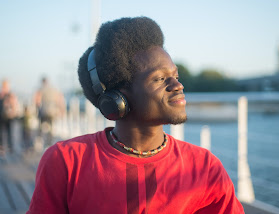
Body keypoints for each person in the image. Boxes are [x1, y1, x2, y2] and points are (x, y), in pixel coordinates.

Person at [27, 17, 244, 213]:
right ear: (116, 99)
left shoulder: (205, 167)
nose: (177, 85)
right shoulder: (66, 162)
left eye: (175, 75)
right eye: (160, 78)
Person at [33, 77, 65, 146]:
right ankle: (50, 143)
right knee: (51, 127)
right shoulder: (53, 89)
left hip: (43, 111)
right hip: (52, 111)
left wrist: (37, 109)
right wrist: (61, 110)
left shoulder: (41, 89)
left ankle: (40, 141)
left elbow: (37, 100)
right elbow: (59, 99)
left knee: (40, 127)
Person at [0, 79, 19, 154]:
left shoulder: (10, 94)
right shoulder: (2, 94)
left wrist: (14, 112)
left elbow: (14, 103)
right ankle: (3, 147)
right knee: (2, 132)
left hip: (8, 116)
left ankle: (10, 147)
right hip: (2, 116)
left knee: (9, 132)